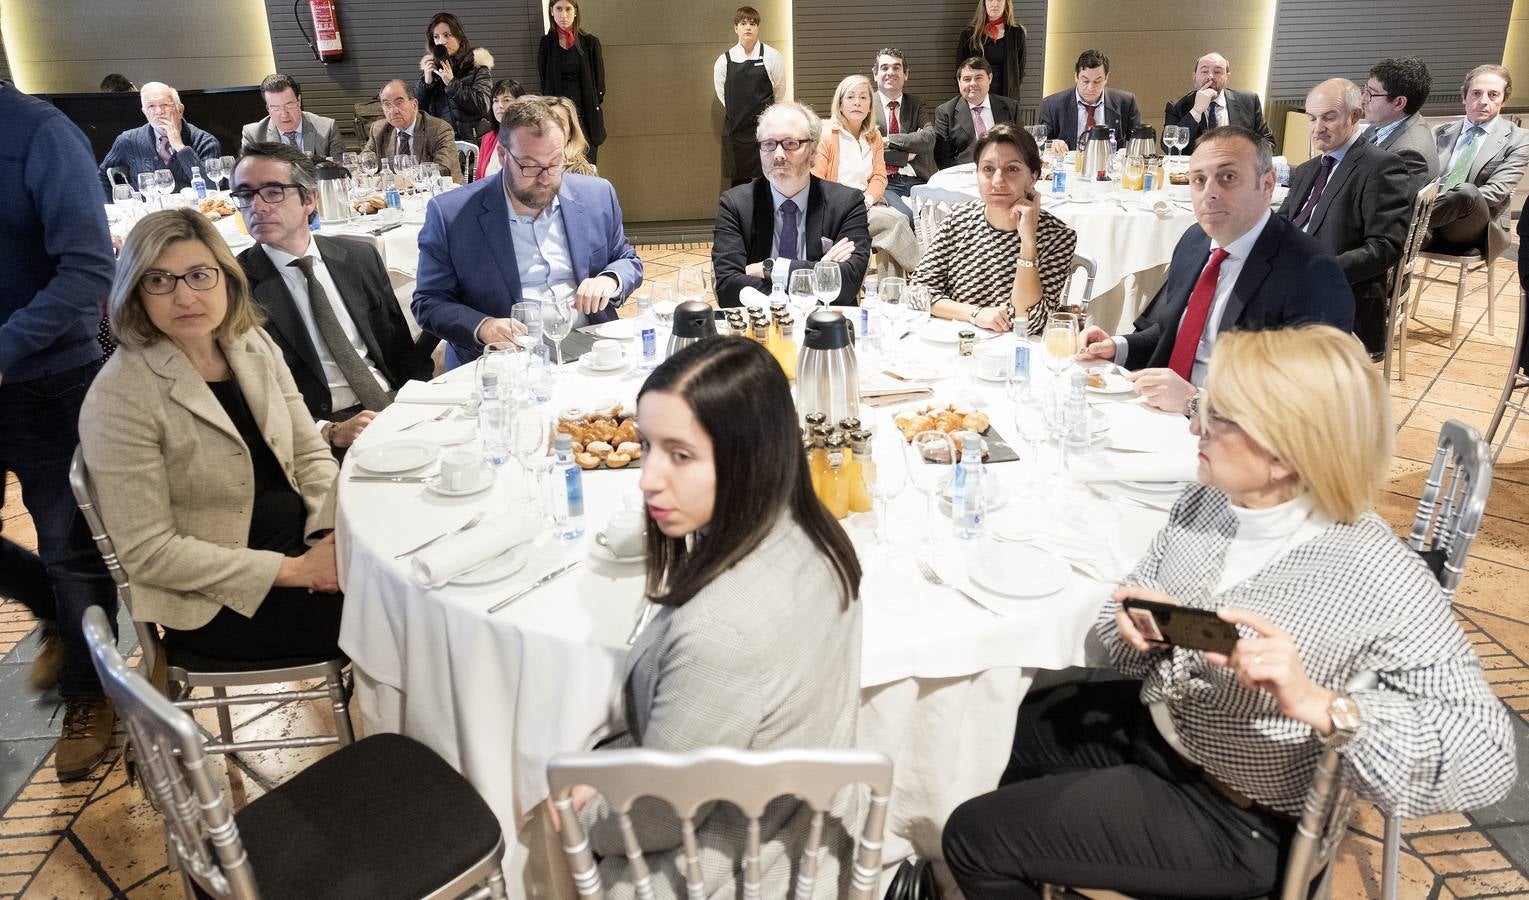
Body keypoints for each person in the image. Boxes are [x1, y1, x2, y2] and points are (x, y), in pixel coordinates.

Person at [942, 325, 1517, 899]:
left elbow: (1487, 753)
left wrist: (1323, 705)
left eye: (1217, 416)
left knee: (973, 840)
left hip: (1238, 811)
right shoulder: (1212, 497)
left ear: (1286, 451)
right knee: (1003, 728)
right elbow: (1130, 603)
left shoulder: (1377, 577)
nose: (1194, 424)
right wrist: (1139, 624)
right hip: (1163, 730)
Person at [563, 336, 863, 898]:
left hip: (737, 868)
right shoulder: (815, 531)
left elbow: (656, 815)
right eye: (647, 445)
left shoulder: (719, 630)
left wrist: (587, 815)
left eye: (680, 454)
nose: (648, 478)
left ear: (749, 453)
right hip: (804, 817)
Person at [78, 209, 344, 667]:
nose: (184, 297)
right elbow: (149, 553)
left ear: (227, 278)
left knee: (417, 576)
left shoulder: (250, 343)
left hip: (304, 543)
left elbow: (308, 452)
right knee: (400, 616)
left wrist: (330, 534)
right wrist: (296, 570)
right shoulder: (120, 395)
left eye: (199, 275)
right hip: (219, 600)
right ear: (135, 292)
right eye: (159, 280)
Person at [0, 81, 120, 782]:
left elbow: (87, 270)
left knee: (70, 546)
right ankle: (45, 604)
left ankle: (90, 693)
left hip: (50, 380)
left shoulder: (39, 134)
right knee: (56, 570)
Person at [1077, 126, 1353, 414]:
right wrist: (1117, 347)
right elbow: (1173, 332)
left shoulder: (1311, 272)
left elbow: (1309, 397)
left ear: (1267, 183)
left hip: (1238, 442)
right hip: (1163, 416)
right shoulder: (1195, 241)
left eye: (1228, 177)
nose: (1209, 193)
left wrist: (1196, 402)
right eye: (1198, 180)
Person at [413, 98, 642, 369]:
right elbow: (428, 302)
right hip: (502, 362)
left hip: (588, 351)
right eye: (530, 166)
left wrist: (610, 280)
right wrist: (483, 326)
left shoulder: (597, 195)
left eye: (555, 163)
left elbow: (627, 260)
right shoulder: (451, 214)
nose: (545, 178)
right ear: (502, 156)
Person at [232, 142, 431, 455]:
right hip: (320, 431)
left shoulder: (358, 257)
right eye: (245, 194)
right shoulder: (234, 285)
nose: (256, 206)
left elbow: (401, 350)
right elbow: (248, 395)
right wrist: (329, 431)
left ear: (309, 199)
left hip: (394, 404)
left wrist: (419, 400)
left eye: (272, 191)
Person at [1277, 79, 1409, 360]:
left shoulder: (1381, 167)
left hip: (1340, 297)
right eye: (1312, 118)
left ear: (1355, 116)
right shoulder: (1308, 169)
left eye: (1328, 117)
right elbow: (1282, 225)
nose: (1317, 128)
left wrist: (1321, 271)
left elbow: (1386, 246)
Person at [910, 124, 1075, 335]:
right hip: (958, 345)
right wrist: (975, 313)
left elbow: (1028, 322)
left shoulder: (1057, 237)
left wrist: (1028, 242)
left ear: (1033, 177)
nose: (997, 181)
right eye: (988, 169)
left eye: (1012, 169)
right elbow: (917, 293)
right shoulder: (959, 220)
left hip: (1019, 355)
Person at [711, 102, 871, 308]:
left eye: (791, 143)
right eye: (768, 144)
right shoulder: (736, 205)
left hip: (824, 327)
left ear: (813, 151)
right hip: (760, 328)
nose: (778, 154)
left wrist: (770, 268)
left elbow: (848, 283)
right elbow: (728, 287)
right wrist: (819, 272)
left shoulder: (846, 203)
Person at [812, 75, 920, 278]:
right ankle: (923, 273)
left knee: (890, 237)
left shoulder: (874, 136)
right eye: (850, 97)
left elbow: (880, 176)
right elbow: (817, 183)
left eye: (863, 98)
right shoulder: (827, 134)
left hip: (866, 205)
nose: (857, 103)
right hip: (835, 211)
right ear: (840, 103)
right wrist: (852, 205)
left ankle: (890, 299)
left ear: (871, 105)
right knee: (895, 221)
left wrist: (867, 201)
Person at [1427, 64, 1529, 261]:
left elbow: (1497, 191)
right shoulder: (1439, 132)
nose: (1483, 101)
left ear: (1503, 100)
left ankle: (1406, 225)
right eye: (1476, 93)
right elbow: (1422, 179)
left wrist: (1442, 203)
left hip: (1474, 225)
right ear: (1464, 97)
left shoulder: (1520, 139)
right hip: (1432, 222)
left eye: (1493, 95)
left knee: (1467, 192)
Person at [97, 81, 222, 198]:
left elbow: (213, 188)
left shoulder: (205, 141)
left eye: (165, 105)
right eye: (151, 106)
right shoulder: (127, 140)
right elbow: (102, 176)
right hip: (148, 217)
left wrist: (180, 147)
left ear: (180, 110)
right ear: (144, 112)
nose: (158, 112)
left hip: (191, 216)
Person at [714, 6, 786, 187]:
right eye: (743, 23)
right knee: (739, 184)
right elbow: (723, 96)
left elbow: (779, 92)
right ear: (735, 28)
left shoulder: (772, 56)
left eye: (752, 24)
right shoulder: (724, 61)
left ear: (758, 28)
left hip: (765, 130)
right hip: (736, 132)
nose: (748, 28)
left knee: (768, 179)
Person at [1163, 53, 1276, 153]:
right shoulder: (1176, 106)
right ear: (1194, 77)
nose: (1210, 76)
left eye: (1217, 72)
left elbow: (1268, 143)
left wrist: (1244, 156)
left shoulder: (1249, 101)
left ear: (1227, 77)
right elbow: (1170, 149)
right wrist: (1196, 111)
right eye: (1204, 71)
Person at [538, 0, 606, 164]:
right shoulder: (546, 44)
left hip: (585, 116)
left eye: (568, 9)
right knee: (561, 170)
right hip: (558, 117)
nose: (564, 15)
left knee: (587, 169)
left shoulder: (590, 43)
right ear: (552, 12)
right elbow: (543, 82)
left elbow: (600, 85)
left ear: (575, 12)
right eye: (559, 9)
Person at [871, 48, 935, 217]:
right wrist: (904, 156)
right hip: (884, 183)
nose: (890, 72)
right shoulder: (866, 105)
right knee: (908, 219)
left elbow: (928, 139)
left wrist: (885, 140)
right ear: (875, 74)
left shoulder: (916, 103)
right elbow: (866, 149)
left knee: (939, 218)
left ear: (905, 74)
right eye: (884, 68)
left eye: (896, 67)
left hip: (918, 181)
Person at [1039, 49, 1141, 153]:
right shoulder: (1052, 105)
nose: (1091, 87)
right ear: (1076, 77)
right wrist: (1052, 144)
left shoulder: (1125, 102)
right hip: (1069, 167)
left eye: (1097, 81)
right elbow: (1039, 144)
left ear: (1106, 78)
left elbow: (1140, 141)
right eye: (1085, 81)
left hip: (1108, 166)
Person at [364, 79, 464, 183]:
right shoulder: (378, 129)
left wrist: (400, 181)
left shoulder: (439, 129)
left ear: (414, 105)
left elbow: (443, 169)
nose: (393, 111)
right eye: (387, 104)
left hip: (440, 193)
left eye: (399, 103)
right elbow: (365, 161)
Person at [1364, 57, 1441, 193]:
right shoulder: (1385, 121)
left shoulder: (1408, 155)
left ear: (1399, 103)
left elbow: (1379, 207)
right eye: (1365, 89)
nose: (1363, 99)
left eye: (1372, 94)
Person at [417, 12, 495, 144]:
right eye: (436, 37)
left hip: (474, 146)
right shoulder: (432, 71)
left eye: (447, 35)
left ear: (459, 37)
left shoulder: (476, 66)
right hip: (442, 146)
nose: (441, 41)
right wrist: (426, 84)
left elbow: (483, 106)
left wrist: (452, 83)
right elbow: (418, 114)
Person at [934, 58, 1020, 170]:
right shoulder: (945, 112)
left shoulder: (1010, 107)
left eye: (979, 78)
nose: (973, 83)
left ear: (990, 78)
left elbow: (1020, 146)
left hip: (1004, 171)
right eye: (967, 79)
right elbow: (943, 159)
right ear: (959, 82)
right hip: (964, 175)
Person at [240, 73, 344, 160]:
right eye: (275, 108)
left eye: (289, 105)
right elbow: (249, 177)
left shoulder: (327, 128)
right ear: (268, 109)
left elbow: (340, 170)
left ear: (299, 101)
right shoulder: (253, 135)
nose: (284, 114)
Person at [955, 0, 1026, 104]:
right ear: (984, 3)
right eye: (990, 0)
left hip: (1006, 99)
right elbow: (960, 72)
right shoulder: (969, 34)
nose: (995, 4)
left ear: (1006, 3)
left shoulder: (1017, 33)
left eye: (999, 0)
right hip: (975, 97)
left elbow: (1019, 71)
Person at [476, 78, 525, 180]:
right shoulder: (487, 139)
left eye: (506, 100)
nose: (500, 105)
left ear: (520, 104)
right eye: (495, 101)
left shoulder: (528, 138)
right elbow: (479, 178)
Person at [548, 96, 599, 175]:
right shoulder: (523, 170)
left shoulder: (586, 173)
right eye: (545, 123)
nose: (553, 129)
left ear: (571, 132)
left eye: (559, 123)